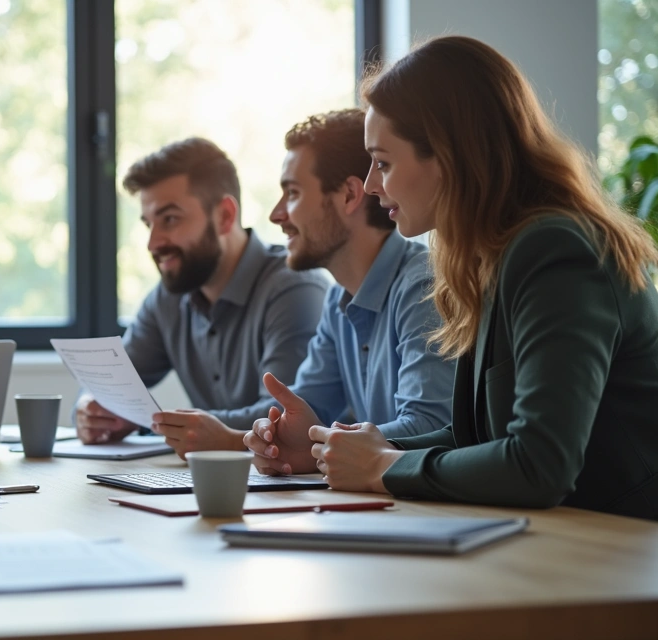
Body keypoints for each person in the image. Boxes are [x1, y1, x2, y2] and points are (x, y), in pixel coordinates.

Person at [254, 35, 658, 520]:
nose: (372, 184)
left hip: (625, 552)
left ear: (446, 157)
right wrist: (329, 451)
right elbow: (475, 436)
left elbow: (539, 462)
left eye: (383, 162)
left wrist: (384, 466)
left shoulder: (555, 249)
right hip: (569, 540)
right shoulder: (490, 257)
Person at [151, 109, 455, 460]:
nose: (276, 214)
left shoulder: (424, 286)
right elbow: (304, 411)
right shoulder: (338, 299)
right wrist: (266, 437)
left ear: (348, 196)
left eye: (292, 193)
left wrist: (244, 441)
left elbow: (428, 428)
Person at [75, 137, 329, 446]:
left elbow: (283, 416)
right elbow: (109, 386)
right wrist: (92, 408)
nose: (153, 243)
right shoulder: (167, 298)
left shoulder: (294, 287)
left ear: (224, 216)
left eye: (170, 219)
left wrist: (172, 425)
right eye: (148, 224)